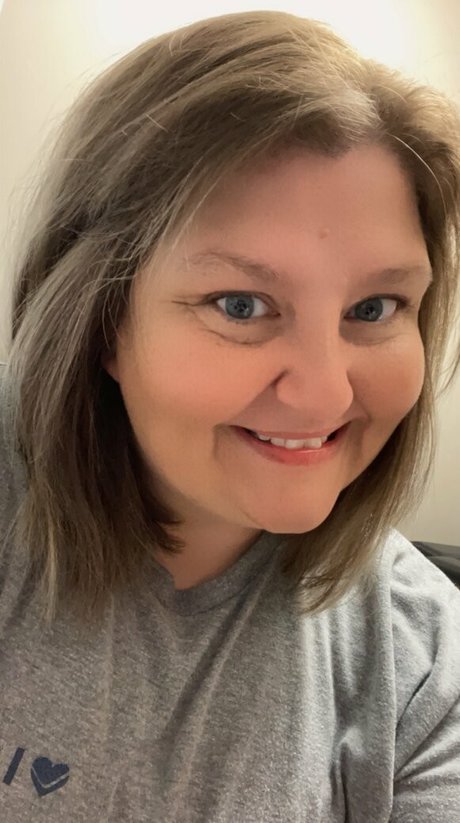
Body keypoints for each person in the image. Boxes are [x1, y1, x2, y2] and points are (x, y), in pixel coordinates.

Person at [1, 9, 459, 821]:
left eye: (375, 307)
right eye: (240, 304)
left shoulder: (426, 666)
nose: (326, 395)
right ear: (101, 323)